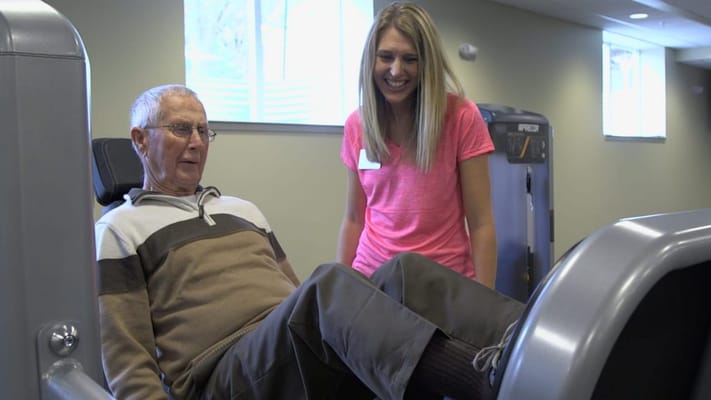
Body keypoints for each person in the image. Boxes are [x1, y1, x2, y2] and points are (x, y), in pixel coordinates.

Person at [94, 84, 524, 400]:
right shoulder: (121, 229)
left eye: (204, 132)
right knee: (330, 285)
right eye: (181, 129)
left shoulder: (244, 210)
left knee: (403, 271)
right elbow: (128, 360)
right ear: (140, 139)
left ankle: (530, 336)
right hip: (222, 376)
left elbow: (294, 292)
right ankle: (480, 382)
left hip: (283, 347)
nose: (196, 143)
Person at [338, 2, 498, 288]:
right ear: (370, 60)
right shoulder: (357, 125)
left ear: (427, 64)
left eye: (410, 59)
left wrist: (486, 310)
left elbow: (481, 224)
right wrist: (339, 290)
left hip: (441, 283)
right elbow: (353, 219)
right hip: (371, 280)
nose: (396, 71)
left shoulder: (462, 117)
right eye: (386, 57)